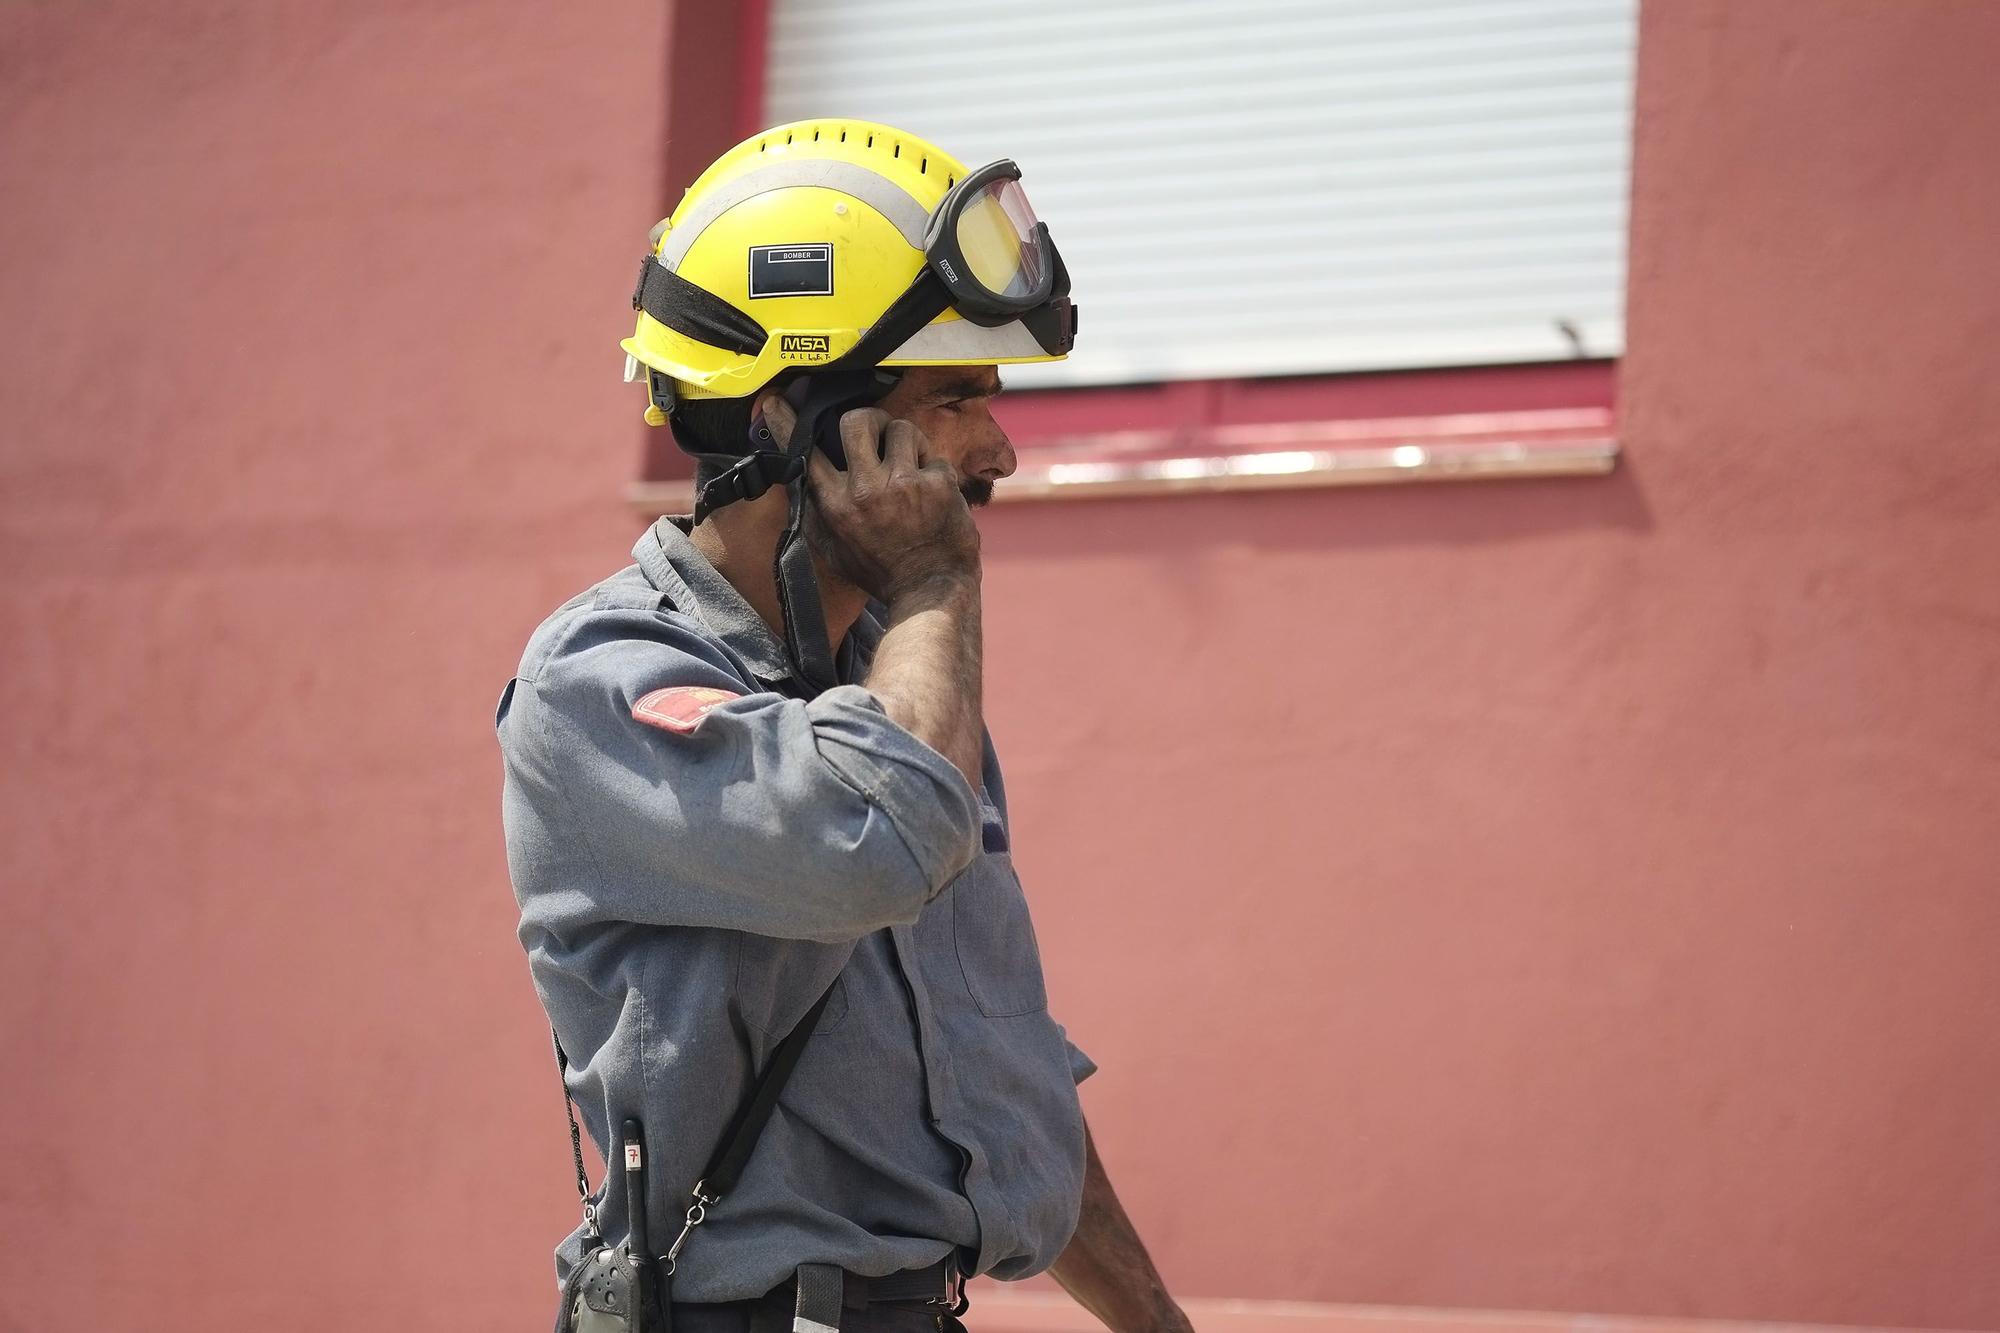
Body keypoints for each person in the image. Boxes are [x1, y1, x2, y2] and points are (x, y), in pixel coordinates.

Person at [497, 120, 1191, 1333]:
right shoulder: (600, 679)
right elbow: (880, 842)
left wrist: (1155, 1323)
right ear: (796, 421)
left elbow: (997, 1073)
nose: (999, 450)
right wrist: (933, 579)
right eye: (954, 398)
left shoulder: (900, 685)